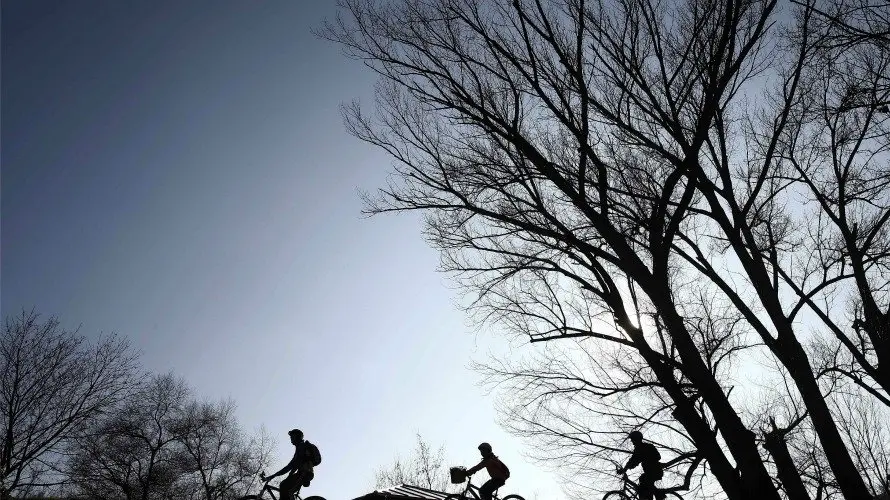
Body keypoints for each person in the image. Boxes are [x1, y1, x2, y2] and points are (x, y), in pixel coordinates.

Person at [262, 429, 315, 500]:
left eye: (292, 437)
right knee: (283, 485)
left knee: (285, 487)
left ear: (297, 437)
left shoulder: (301, 447)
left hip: (305, 473)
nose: (291, 439)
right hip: (302, 473)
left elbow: (292, 465)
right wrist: (274, 476)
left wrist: (273, 476)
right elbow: (291, 465)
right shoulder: (299, 448)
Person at [617, 431, 664, 500]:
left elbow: (657, 457)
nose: (632, 442)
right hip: (652, 472)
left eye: (633, 440)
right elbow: (633, 461)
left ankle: (659, 495)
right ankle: (651, 496)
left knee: (644, 481)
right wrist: (625, 469)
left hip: (655, 471)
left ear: (637, 439)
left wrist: (646, 457)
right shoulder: (641, 448)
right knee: (643, 482)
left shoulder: (642, 448)